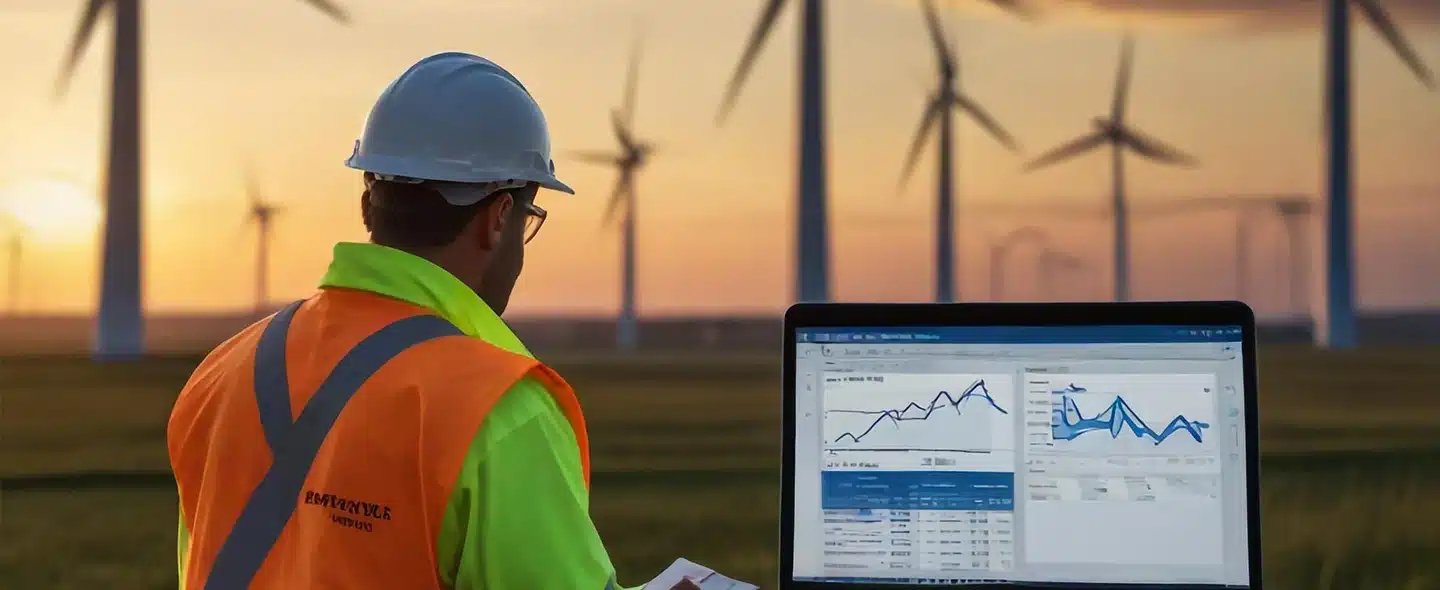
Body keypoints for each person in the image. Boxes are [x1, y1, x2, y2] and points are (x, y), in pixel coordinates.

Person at [167, 52, 702, 590]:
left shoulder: (223, 373)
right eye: (527, 219)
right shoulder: (498, 412)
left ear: (368, 197)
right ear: (498, 219)